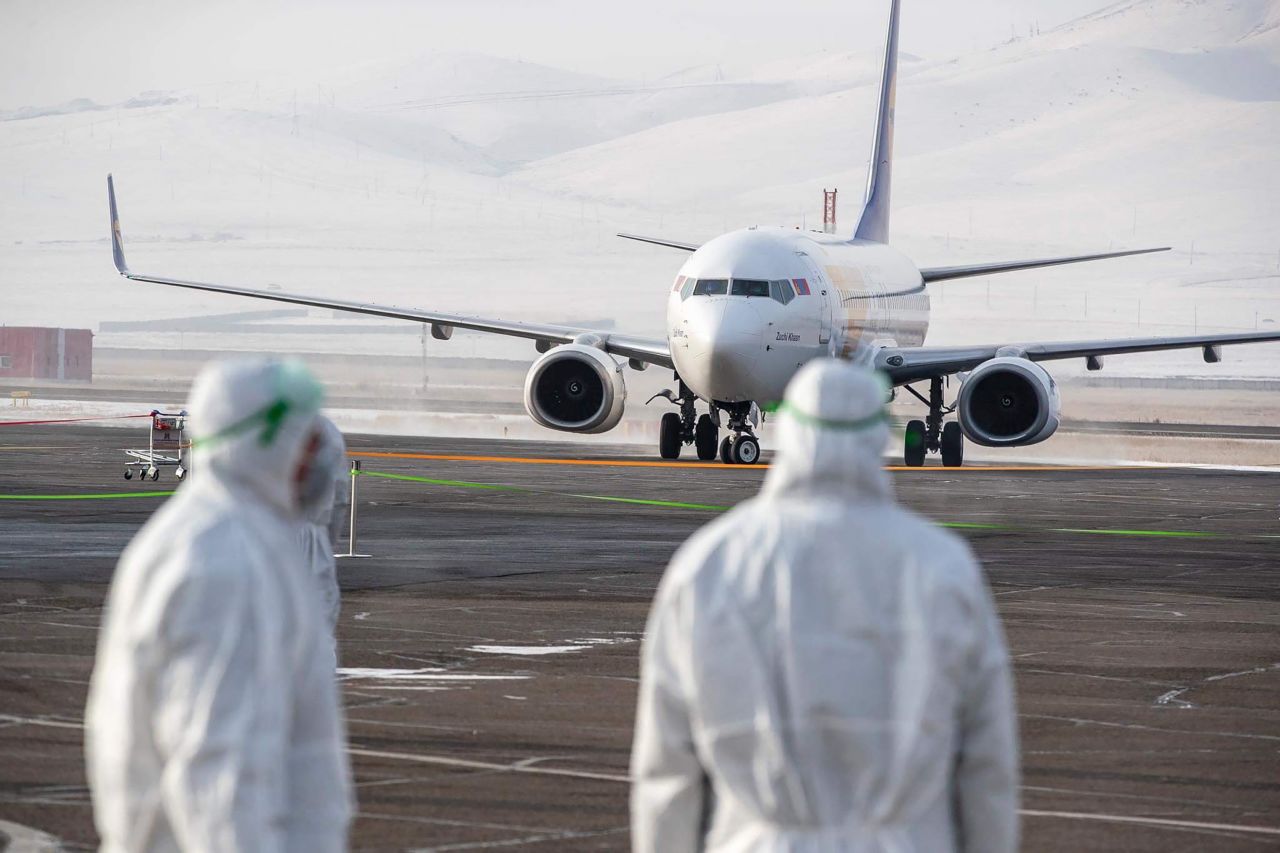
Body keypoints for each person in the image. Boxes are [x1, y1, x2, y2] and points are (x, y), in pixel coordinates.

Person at [631, 359, 1019, 853]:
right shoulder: (942, 565)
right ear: (878, 436)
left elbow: (666, 772)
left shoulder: (708, 562)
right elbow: (987, 769)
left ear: (789, 429)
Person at [85, 358, 354, 853]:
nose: (320, 460)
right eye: (304, 440)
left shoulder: (236, 534)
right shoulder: (223, 560)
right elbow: (217, 771)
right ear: (262, 441)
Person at [298, 415, 351, 663]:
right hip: (313, 534)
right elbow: (340, 496)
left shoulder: (243, 415)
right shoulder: (325, 429)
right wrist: (326, 544)